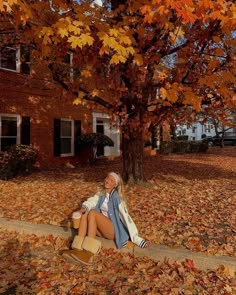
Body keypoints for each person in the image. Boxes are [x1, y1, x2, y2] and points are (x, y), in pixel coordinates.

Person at [62, 172, 149, 265]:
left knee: (92, 213)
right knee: (85, 213)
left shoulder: (117, 198)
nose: (108, 181)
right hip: (102, 230)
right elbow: (90, 202)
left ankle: (88, 253)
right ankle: (77, 249)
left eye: (111, 180)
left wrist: (137, 239)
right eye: (107, 178)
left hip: (113, 231)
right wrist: (80, 211)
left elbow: (126, 218)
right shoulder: (101, 193)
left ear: (114, 185)